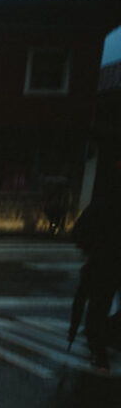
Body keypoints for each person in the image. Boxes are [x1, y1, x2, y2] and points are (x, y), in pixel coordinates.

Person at [72, 160, 121, 373]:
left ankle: (100, 347)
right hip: (107, 264)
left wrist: (90, 249)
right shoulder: (104, 206)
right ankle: (100, 347)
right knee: (100, 306)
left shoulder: (100, 205)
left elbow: (79, 233)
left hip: (102, 263)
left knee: (98, 308)